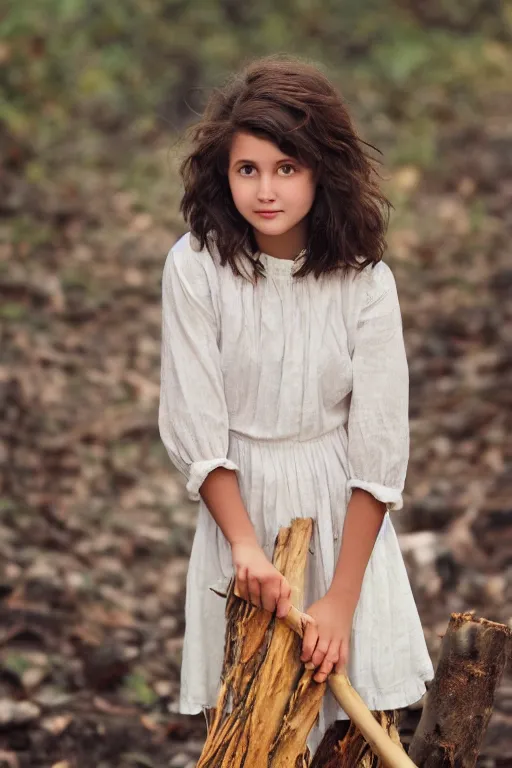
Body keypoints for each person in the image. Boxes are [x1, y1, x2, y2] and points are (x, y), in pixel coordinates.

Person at [158, 53, 434, 755]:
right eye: (248, 169)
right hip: (239, 512)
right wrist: (245, 548)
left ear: (322, 170)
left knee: (352, 734)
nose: (266, 190)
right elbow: (197, 421)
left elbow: (377, 454)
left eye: (288, 168)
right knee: (256, 732)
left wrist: (339, 602)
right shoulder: (195, 268)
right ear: (224, 173)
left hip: (344, 524)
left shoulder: (366, 284)